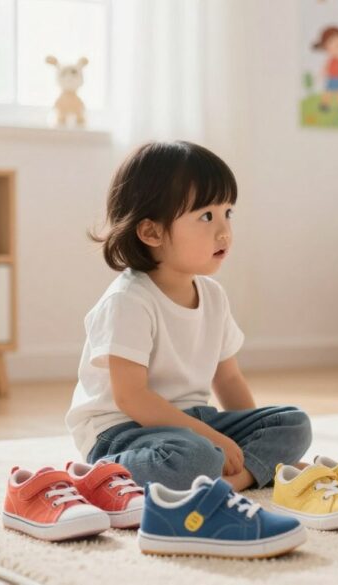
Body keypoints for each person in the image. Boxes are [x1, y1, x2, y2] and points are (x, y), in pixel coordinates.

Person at [67, 141, 312, 491]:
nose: (224, 230)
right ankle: (103, 477)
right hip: (124, 433)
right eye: (206, 216)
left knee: (293, 423)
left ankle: (235, 476)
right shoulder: (129, 301)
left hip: (193, 424)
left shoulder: (213, 296)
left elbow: (228, 381)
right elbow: (131, 398)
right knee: (196, 456)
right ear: (151, 232)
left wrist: (242, 440)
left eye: (228, 212)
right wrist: (216, 440)